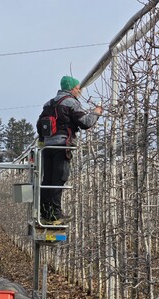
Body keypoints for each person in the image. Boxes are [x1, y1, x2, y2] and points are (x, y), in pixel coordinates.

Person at [37, 75, 103, 223]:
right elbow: (85, 123)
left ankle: (45, 212)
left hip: (47, 148)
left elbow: (39, 126)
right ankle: (56, 214)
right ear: (71, 88)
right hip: (62, 145)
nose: (79, 91)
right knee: (59, 179)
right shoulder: (71, 102)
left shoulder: (48, 104)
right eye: (78, 88)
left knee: (47, 179)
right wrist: (96, 113)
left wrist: (44, 140)